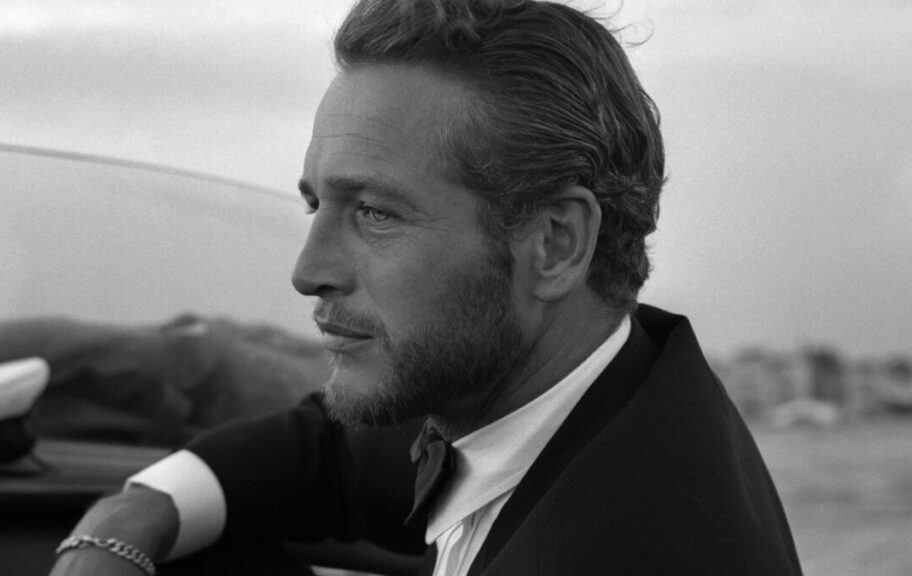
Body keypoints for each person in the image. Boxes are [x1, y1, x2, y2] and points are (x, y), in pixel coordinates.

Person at [50, 0, 803, 574]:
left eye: (375, 212)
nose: (308, 271)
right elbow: (329, 454)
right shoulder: (569, 399)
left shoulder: (643, 543)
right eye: (317, 206)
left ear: (556, 243)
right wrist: (135, 514)